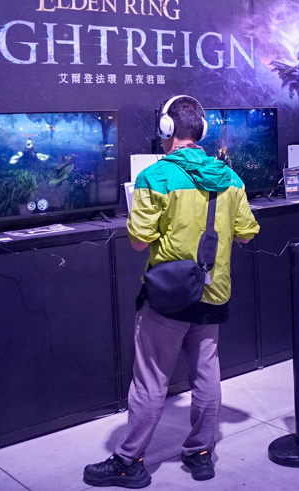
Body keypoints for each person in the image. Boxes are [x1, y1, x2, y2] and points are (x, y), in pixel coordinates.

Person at [84, 95, 260, 487]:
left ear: (167, 129)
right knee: (207, 376)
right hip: (213, 294)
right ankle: (200, 452)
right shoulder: (230, 178)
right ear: (201, 130)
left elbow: (138, 242)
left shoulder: (155, 177)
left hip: (168, 300)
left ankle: (129, 461)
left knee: (151, 383)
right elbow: (247, 234)